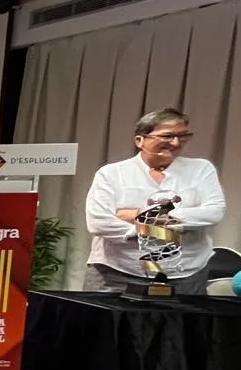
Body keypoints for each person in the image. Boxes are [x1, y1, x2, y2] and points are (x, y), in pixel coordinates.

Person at [83, 107, 225, 296]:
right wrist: (163, 227)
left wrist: (140, 215)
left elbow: (214, 212)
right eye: (167, 136)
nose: (176, 143)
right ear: (140, 140)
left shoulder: (201, 169)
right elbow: (99, 223)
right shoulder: (111, 174)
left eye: (183, 136)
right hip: (117, 273)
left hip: (186, 274)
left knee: (184, 317)